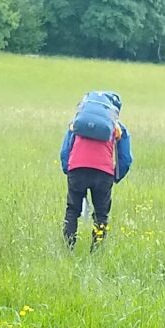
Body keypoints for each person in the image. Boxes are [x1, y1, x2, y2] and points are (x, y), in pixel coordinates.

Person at [59, 92, 133, 249]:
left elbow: (65, 150)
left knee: (72, 210)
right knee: (101, 215)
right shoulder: (116, 125)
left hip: (77, 169)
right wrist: (116, 176)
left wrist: (68, 169)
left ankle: (68, 249)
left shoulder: (78, 122)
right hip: (103, 173)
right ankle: (96, 252)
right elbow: (125, 158)